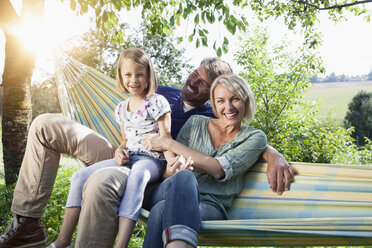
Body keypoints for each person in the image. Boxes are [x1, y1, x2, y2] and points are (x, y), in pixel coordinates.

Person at [0, 57, 294, 248]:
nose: (193, 81)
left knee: (103, 183)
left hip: (153, 169)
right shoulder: (160, 90)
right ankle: (27, 223)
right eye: (195, 74)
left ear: (212, 94)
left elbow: (238, 136)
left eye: (203, 82)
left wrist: (273, 154)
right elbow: (124, 111)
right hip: (122, 149)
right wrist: (119, 145)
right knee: (44, 124)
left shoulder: (211, 114)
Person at [47, 48, 175, 248]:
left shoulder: (158, 103)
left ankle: (121, 244)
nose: (134, 80)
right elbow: (125, 140)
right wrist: (119, 150)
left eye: (140, 74)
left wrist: (172, 164)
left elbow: (166, 138)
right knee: (79, 177)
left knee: (138, 174)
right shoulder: (121, 108)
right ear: (121, 77)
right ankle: (62, 241)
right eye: (128, 75)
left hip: (152, 161)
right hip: (130, 157)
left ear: (148, 75)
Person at [140, 73, 266, 247]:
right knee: (184, 176)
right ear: (214, 103)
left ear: (246, 100)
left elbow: (217, 169)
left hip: (211, 205)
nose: (228, 107)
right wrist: (173, 168)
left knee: (160, 210)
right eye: (221, 101)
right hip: (170, 189)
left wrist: (167, 142)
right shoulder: (196, 122)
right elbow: (170, 172)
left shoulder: (254, 138)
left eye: (235, 99)